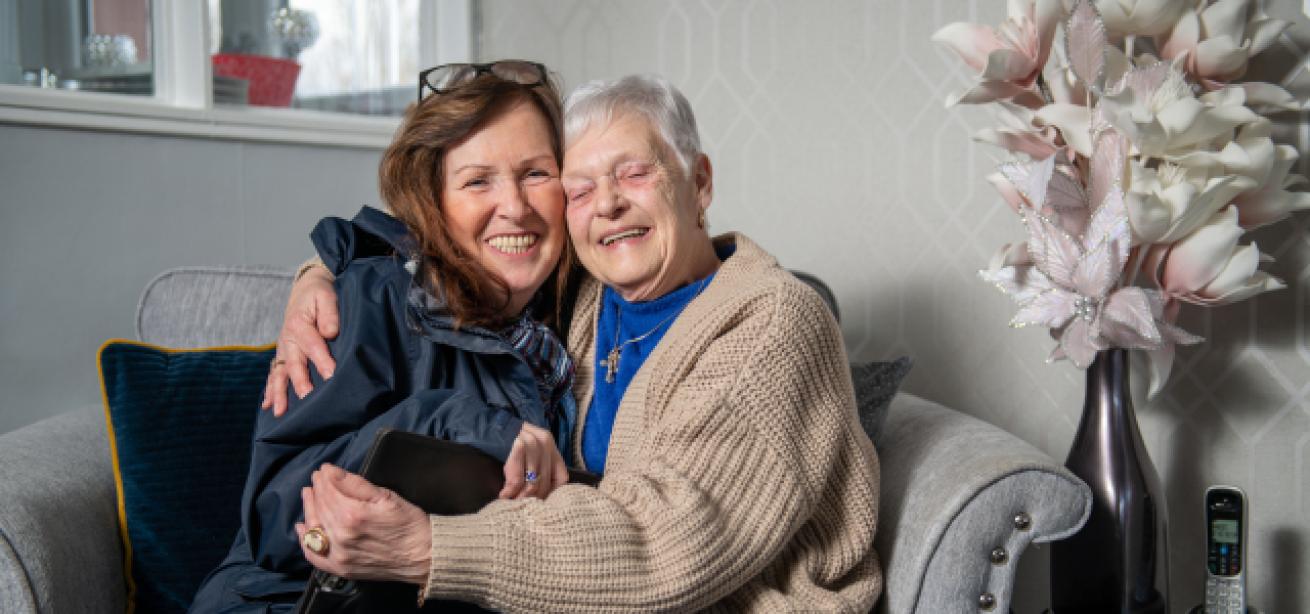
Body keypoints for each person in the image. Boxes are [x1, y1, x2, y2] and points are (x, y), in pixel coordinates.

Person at [271, 74, 883, 612]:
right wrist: (323, 271)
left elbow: (669, 540)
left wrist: (432, 549)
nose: (609, 204)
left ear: (699, 182)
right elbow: (443, 231)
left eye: (635, 173)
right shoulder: (585, 294)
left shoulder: (773, 322)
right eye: (580, 189)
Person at [191, 60, 578, 612]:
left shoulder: (581, 317)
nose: (514, 207)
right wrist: (444, 418)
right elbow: (275, 520)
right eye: (477, 181)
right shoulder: (364, 299)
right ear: (434, 206)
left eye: (536, 173)